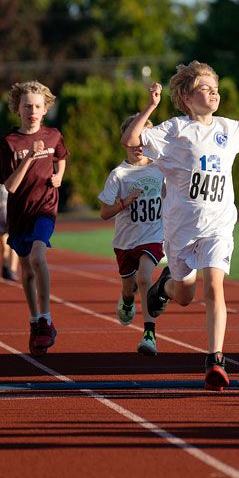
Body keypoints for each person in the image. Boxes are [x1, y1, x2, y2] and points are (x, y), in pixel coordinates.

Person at [121, 61, 239, 391]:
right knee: (185, 295)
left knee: (214, 287)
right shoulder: (174, 130)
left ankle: (215, 359)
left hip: (218, 226)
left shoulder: (228, 129)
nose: (214, 92)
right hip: (180, 230)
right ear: (187, 97)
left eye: (216, 87)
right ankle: (165, 287)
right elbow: (131, 140)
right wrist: (150, 106)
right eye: (206, 87)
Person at [0, 81, 68, 356]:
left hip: (45, 208)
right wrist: (28, 157)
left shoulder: (53, 136)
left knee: (39, 258)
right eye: (27, 105)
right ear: (17, 108)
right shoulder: (8, 143)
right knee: (27, 270)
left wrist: (60, 176)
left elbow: (61, 157)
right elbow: (10, 186)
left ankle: (46, 319)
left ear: (45, 109)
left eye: (38, 106)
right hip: (20, 213)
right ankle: (34, 319)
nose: (32, 111)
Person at [98, 116, 165, 356]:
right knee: (129, 288)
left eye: (142, 141)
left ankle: (149, 333)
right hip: (125, 242)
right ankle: (127, 300)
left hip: (154, 237)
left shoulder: (160, 168)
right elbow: (104, 212)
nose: (138, 147)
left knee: (145, 277)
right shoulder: (119, 175)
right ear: (125, 143)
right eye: (133, 142)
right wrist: (124, 203)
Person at [0, 184, 19, 281]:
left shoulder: (14, 179)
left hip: (12, 213)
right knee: (4, 243)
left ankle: (13, 270)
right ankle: (5, 266)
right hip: (1, 215)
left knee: (14, 242)